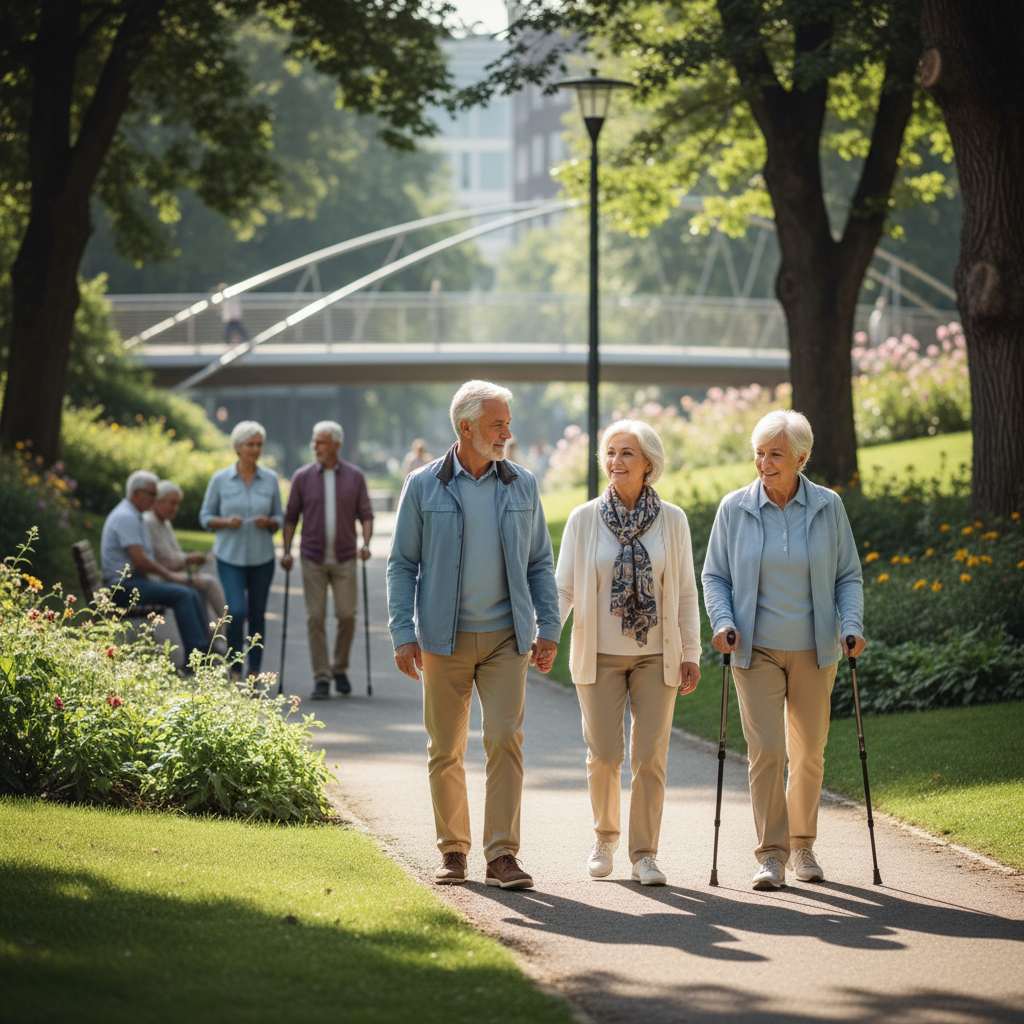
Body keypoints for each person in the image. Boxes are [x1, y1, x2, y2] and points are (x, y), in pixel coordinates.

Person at [387, 380, 560, 890]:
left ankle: (502, 854)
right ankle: (453, 851)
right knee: (446, 747)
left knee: (506, 740)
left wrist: (548, 627)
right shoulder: (423, 484)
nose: (508, 432)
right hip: (443, 638)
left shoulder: (523, 484)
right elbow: (402, 565)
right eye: (497, 424)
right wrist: (403, 631)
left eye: (506, 422)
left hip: (508, 638)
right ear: (466, 427)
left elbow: (539, 563)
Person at [701, 409, 865, 890]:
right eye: (759, 453)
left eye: (776, 454)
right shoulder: (735, 508)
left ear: (801, 457)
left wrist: (850, 625)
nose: (764, 463)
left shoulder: (828, 507)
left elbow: (847, 576)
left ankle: (802, 844)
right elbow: (716, 576)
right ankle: (771, 853)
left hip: (816, 650)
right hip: (756, 651)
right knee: (767, 751)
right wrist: (723, 621)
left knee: (809, 752)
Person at [555, 420, 702, 886]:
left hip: (656, 654)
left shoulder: (673, 520)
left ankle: (644, 853)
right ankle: (605, 836)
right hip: (598, 654)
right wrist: (541, 637)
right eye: (611, 452)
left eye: (626, 454)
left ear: (648, 465)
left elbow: (683, 593)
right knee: (603, 754)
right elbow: (563, 590)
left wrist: (691, 651)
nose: (616, 461)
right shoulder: (584, 519)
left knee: (650, 755)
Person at [281, 421, 373, 699]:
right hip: (313, 558)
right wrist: (286, 551)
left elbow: (366, 514)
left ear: (336, 445)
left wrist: (366, 543)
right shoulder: (302, 476)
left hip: (345, 557)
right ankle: (321, 677)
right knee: (315, 618)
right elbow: (291, 517)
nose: (315, 447)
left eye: (321, 442)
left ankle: (340, 667)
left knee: (347, 616)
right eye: (314, 441)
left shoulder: (355, 476)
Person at [100, 470, 211, 665]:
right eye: (151, 494)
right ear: (136, 492)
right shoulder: (126, 517)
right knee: (183, 594)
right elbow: (140, 560)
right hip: (123, 588)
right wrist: (168, 575)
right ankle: (196, 660)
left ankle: (201, 652)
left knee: (191, 591)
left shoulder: (135, 515)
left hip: (132, 582)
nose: (154, 498)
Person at [199, 421, 282, 681]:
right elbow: (205, 516)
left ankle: (254, 671)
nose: (256, 449)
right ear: (237, 447)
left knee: (257, 614)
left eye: (259, 444)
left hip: (262, 557)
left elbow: (279, 515)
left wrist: (270, 522)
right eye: (250, 444)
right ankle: (235, 667)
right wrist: (225, 522)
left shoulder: (270, 478)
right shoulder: (220, 479)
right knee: (235, 611)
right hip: (229, 556)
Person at [144, 479, 227, 626]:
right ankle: (228, 626)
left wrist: (190, 559)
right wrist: (189, 558)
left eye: (177, 504)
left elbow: (172, 554)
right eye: (172, 503)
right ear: (159, 501)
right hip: (160, 577)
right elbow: (165, 560)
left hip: (168, 574)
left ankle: (214, 635)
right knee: (209, 582)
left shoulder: (163, 522)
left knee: (202, 586)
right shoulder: (150, 522)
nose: (176, 508)